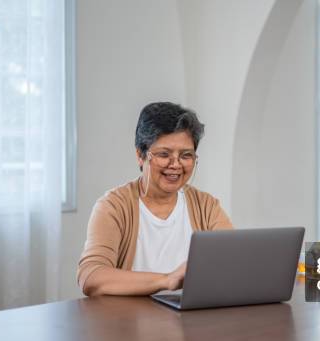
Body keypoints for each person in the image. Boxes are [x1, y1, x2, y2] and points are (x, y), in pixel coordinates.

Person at [77, 102, 233, 296]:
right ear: (140, 156)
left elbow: (232, 261)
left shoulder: (206, 206)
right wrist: (167, 280)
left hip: (192, 321)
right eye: (164, 154)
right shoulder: (113, 206)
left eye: (186, 155)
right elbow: (91, 276)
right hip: (128, 322)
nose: (175, 165)